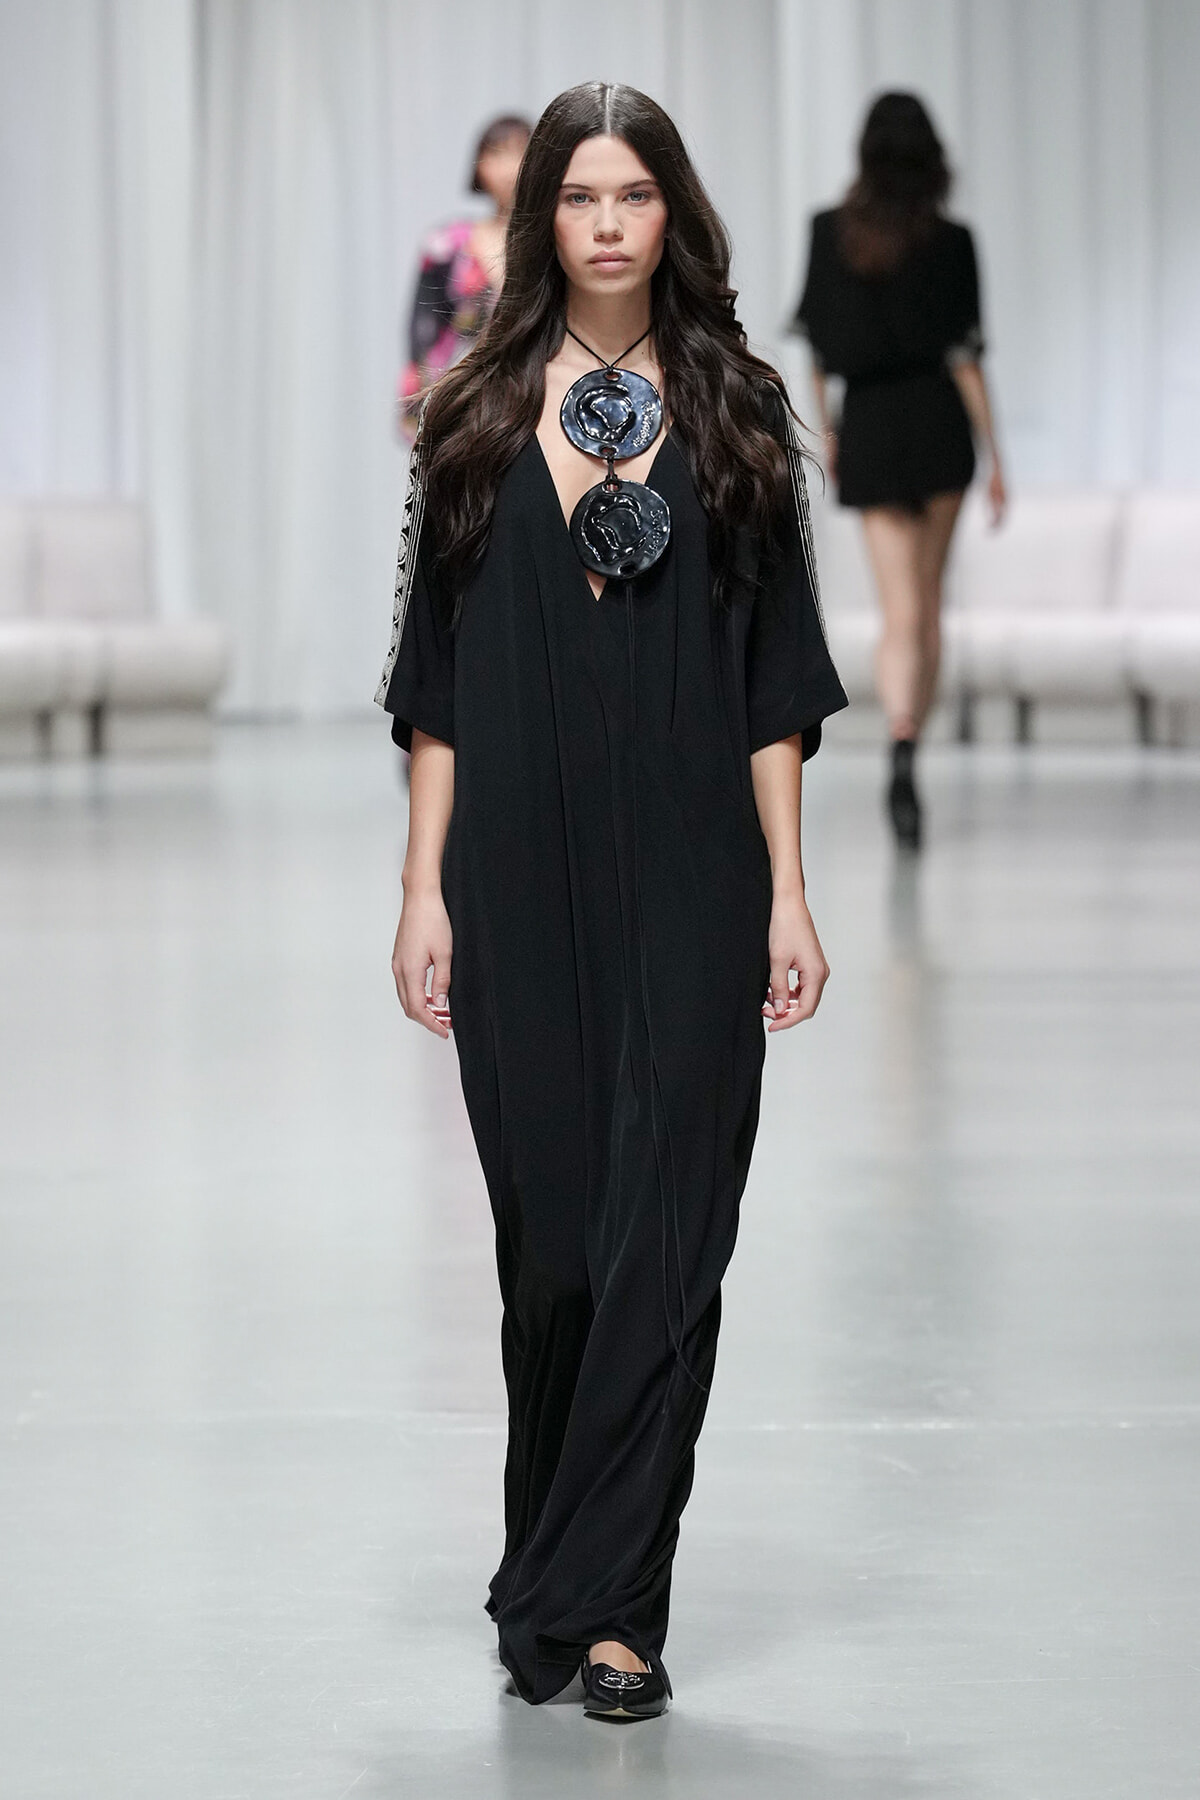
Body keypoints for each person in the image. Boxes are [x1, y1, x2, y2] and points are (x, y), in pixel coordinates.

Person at [377, 81, 847, 1720]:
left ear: (672, 215)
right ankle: (551, 1564)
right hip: (514, 861)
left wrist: (790, 892)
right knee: (560, 1244)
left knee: (669, 1234)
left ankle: (619, 1614)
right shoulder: (473, 414)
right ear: (540, 221)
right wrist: (422, 889)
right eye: (578, 196)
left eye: (632, 194)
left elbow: (776, 678)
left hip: (699, 859)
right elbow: (433, 680)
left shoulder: (736, 407)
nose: (604, 222)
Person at [791, 91, 1006, 848]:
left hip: (873, 426)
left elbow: (818, 348)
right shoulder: (953, 240)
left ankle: (901, 732)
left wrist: (828, 431)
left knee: (898, 609)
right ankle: (911, 746)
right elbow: (966, 356)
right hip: (940, 423)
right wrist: (998, 457)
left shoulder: (830, 232)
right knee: (928, 602)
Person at [397, 113, 531, 440]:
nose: (509, 168)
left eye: (521, 152)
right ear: (479, 166)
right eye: (497, 154)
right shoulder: (446, 245)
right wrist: (424, 407)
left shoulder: (555, 244)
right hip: (461, 406)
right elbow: (423, 329)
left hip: (535, 400)